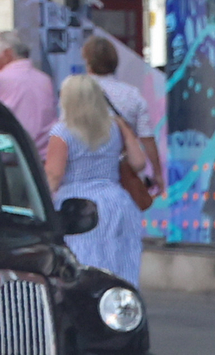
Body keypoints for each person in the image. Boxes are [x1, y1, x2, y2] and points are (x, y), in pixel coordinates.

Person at [43, 74, 147, 283]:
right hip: (117, 203)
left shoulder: (62, 132)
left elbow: (53, 176)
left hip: (78, 208)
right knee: (121, 262)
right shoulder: (115, 127)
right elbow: (139, 163)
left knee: (84, 265)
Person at [82, 35, 161, 201]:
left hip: (88, 172)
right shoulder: (132, 95)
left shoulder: (78, 93)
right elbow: (147, 138)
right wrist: (158, 173)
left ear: (88, 62)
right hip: (124, 173)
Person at [0, 30, 57, 142]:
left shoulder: (3, 79)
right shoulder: (45, 79)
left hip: (14, 153)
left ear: (7, 53)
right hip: (45, 152)